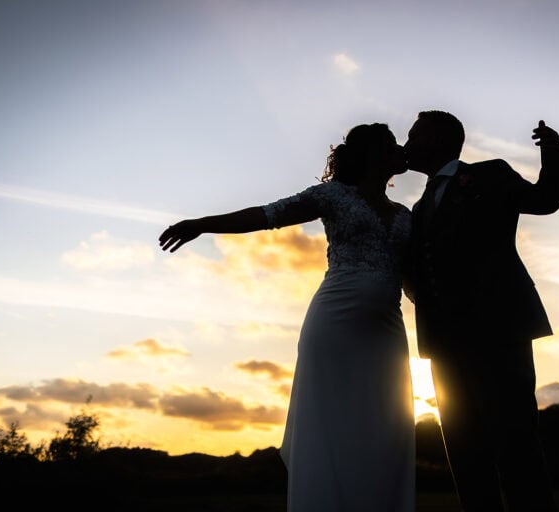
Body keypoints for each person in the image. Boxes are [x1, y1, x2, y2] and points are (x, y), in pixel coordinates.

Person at [159, 123, 416, 511]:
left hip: (387, 330)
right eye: (391, 143)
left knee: (387, 425)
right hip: (335, 322)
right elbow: (267, 214)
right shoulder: (332, 196)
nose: (400, 148)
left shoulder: (405, 215)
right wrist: (202, 224)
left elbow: (415, 278)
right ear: (371, 154)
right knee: (332, 423)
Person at [403, 111, 559, 512]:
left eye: (414, 136)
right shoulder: (417, 208)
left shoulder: (490, 175)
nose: (406, 145)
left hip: (500, 335)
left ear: (440, 140)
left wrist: (554, 149)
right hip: (442, 345)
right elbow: (415, 272)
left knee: (517, 448)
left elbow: (546, 199)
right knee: (465, 456)